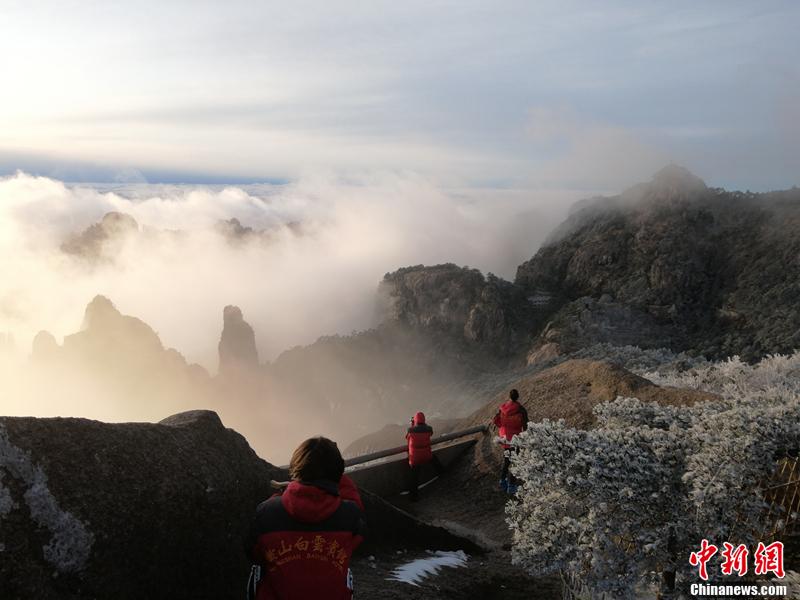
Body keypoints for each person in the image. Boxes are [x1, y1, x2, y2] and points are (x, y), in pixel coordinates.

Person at [245, 437, 366, 600]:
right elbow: (357, 527)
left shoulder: (266, 511)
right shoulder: (350, 514)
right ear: (338, 472)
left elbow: (253, 552)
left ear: (296, 468)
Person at [492, 389, 528, 494]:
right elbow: (525, 425)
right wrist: (524, 437)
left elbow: (496, 420)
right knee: (515, 461)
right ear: (518, 396)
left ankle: (502, 482)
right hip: (515, 439)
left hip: (505, 438)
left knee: (507, 460)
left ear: (509, 396)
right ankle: (511, 486)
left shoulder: (503, 407)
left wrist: (503, 430)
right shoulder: (521, 410)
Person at [405, 411, 443, 501]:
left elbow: (407, 437)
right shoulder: (429, 429)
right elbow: (430, 434)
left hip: (415, 458)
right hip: (427, 456)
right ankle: (444, 474)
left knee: (414, 476)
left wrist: (412, 425)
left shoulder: (410, 430)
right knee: (435, 461)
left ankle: (413, 496)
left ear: (415, 420)